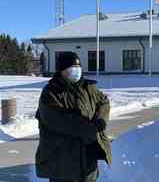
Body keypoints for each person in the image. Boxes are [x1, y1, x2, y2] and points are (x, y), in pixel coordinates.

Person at [35, 52, 111, 182]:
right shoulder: (51, 91)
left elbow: (103, 102)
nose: (76, 71)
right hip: (62, 161)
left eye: (78, 68)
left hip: (88, 159)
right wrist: (90, 128)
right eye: (71, 68)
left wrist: (100, 120)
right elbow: (57, 120)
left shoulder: (88, 88)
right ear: (61, 71)